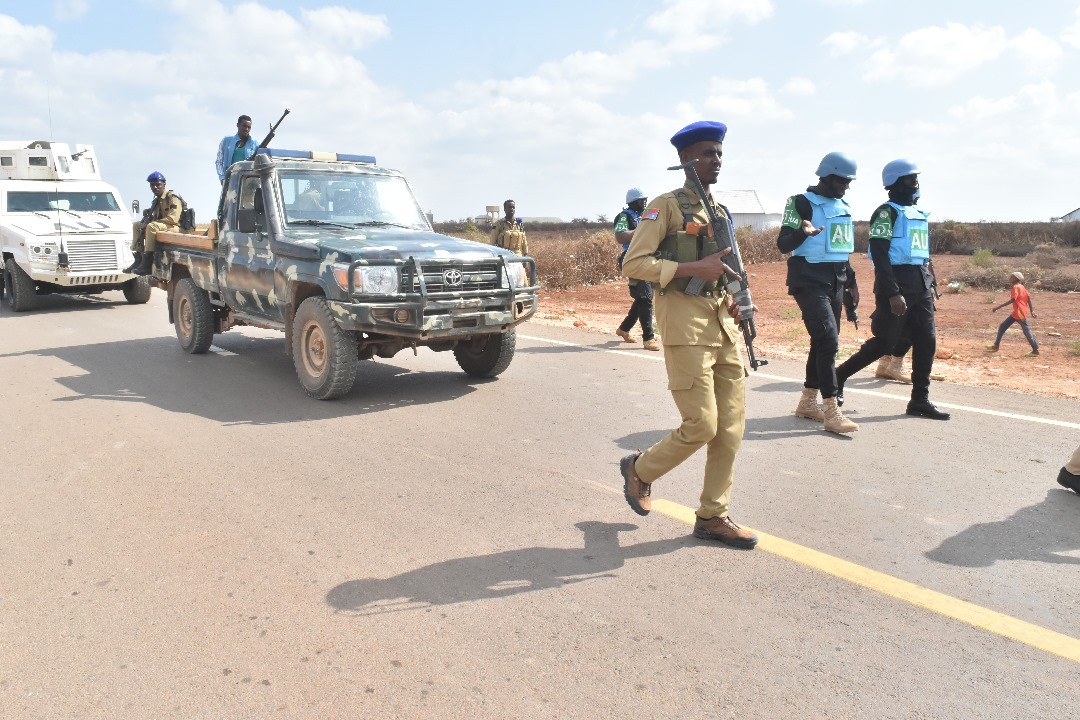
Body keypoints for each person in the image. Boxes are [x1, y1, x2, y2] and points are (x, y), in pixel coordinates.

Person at [619, 120, 758, 549]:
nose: (715, 160)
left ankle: (713, 515)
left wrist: (740, 300)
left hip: (723, 325)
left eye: (718, 153)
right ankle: (640, 470)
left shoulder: (719, 212)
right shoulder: (666, 207)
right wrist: (693, 269)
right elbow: (633, 264)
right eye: (706, 153)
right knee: (702, 424)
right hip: (685, 324)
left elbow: (729, 265)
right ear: (684, 159)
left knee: (730, 430)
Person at [834, 159, 950, 420]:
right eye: (910, 179)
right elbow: (880, 254)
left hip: (919, 282)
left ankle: (920, 400)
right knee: (885, 342)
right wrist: (893, 292)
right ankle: (839, 376)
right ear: (896, 182)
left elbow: (922, 254)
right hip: (896, 281)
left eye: (915, 179)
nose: (915, 183)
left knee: (926, 341)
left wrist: (929, 281)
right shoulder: (886, 212)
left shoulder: (918, 213)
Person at [776, 151, 860, 434]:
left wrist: (851, 283)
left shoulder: (843, 205)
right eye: (842, 180)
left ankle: (807, 403)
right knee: (828, 340)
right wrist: (804, 232)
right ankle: (832, 410)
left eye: (849, 182)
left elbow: (842, 250)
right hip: (808, 277)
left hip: (835, 279)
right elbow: (783, 243)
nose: (846, 186)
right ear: (827, 176)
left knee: (822, 342)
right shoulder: (799, 202)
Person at [614, 188, 659, 351]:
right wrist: (642, 231)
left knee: (643, 297)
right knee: (645, 298)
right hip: (631, 257)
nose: (645, 203)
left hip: (648, 256)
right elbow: (620, 236)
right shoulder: (624, 216)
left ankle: (624, 329)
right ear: (632, 202)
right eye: (641, 200)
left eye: (645, 200)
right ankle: (649, 338)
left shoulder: (647, 215)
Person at [127, 171, 183, 275]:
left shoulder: (172, 196)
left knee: (152, 226)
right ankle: (138, 259)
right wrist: (149, 214)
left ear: (164, 184)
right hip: (167, 225)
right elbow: (159, 217)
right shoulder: (157, 200)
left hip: (179, 227)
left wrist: (154, 222)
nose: (155, 187)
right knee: (137, 226)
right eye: (152, 185)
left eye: (158, 184)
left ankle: (147, 264)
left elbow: (173, 219)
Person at [988, 271, 1039, 356]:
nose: (1010, 278)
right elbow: (1028, 298)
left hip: (1019, 312)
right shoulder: (1022, 287)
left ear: (1016, 278)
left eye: (1012, 277)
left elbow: (1013, 300)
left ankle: (1035, 350)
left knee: (1026, 331)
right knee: (1002, 326)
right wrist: (1031, 311)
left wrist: (998, 307)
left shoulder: (1016, 287)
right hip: (1017, 312)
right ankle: (996, 346)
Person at [215, 115, 258, 184]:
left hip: (247, 181)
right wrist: (222, 178)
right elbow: (219, 161)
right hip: (230, 181)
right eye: (244, 126)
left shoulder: (255, 143)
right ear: (238, 125)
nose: (246, 129)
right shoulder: (226, 141)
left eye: (249, 127)